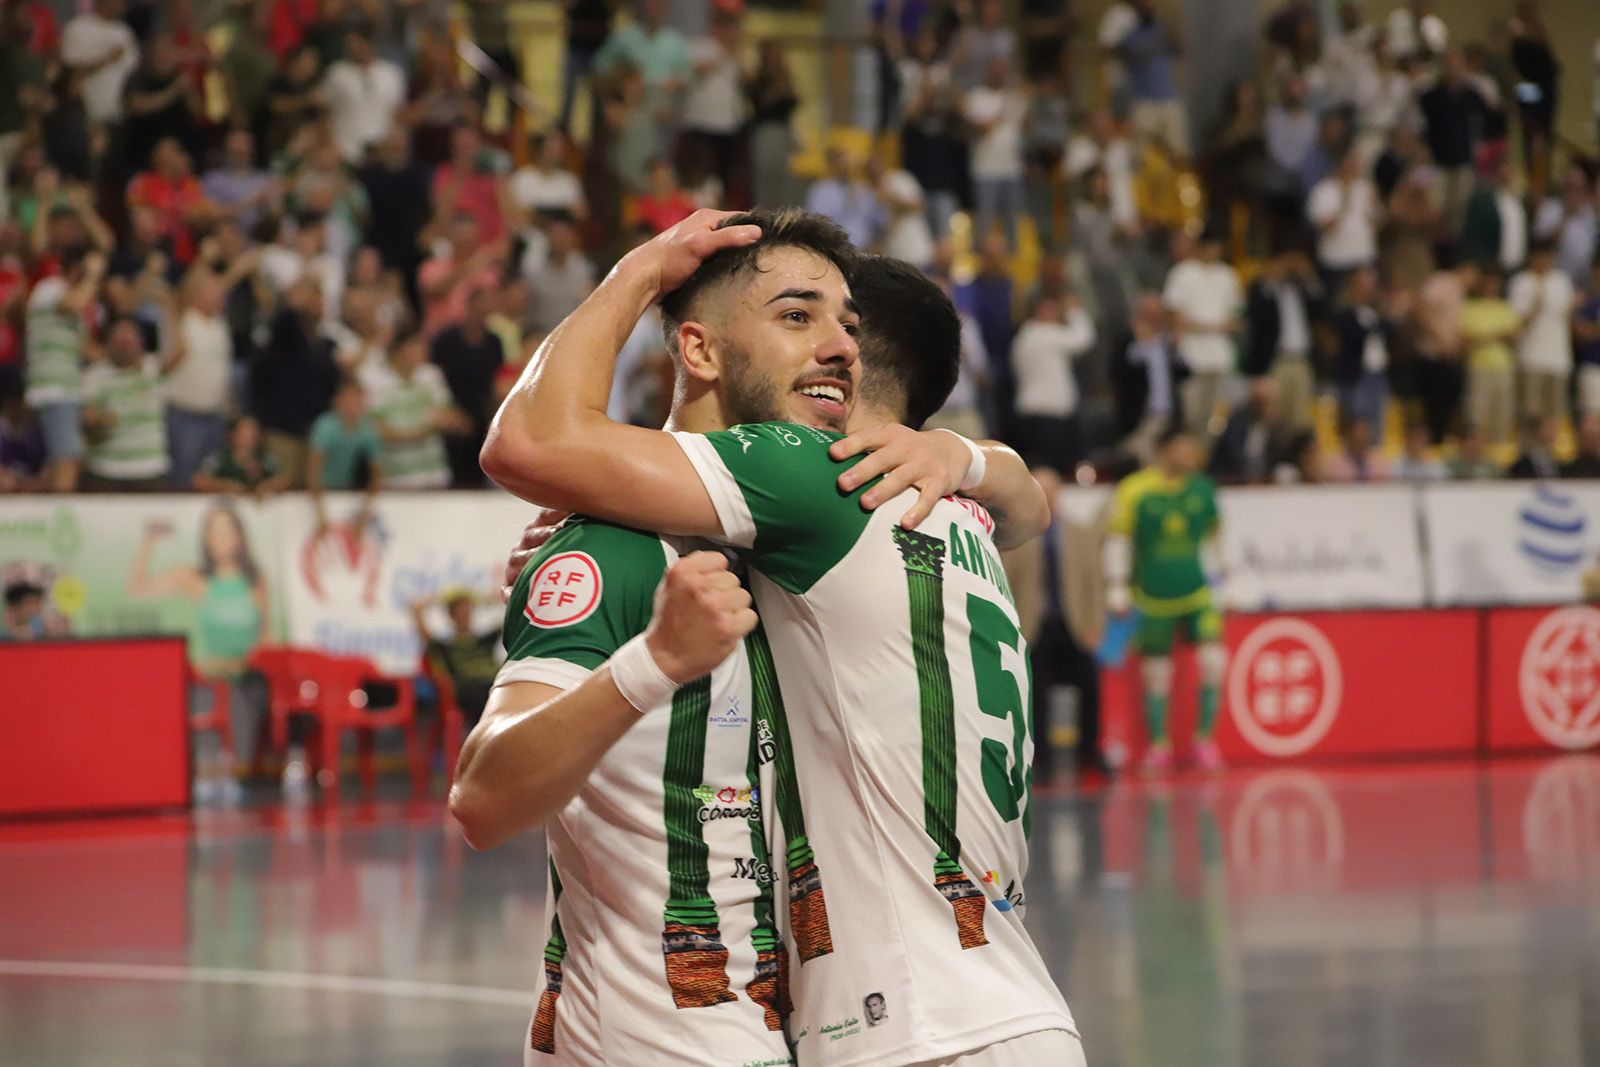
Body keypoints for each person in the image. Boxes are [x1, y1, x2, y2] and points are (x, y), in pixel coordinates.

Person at [472, 210, 1081, 1065]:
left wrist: (642, 269)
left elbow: (535, 441)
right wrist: (970, 455)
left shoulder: (814, 482)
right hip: (993, 1005)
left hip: (914, 1030)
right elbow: (1031, 502)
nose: (835, 344)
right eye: (800, 317)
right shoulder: (956, 512)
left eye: (848, 327)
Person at [128, 503, 270, 803]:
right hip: (210, 674)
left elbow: (265, 635)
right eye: (213, 530)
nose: (221, 537)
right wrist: (149, 540)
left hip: (246, 674)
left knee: (252, 687)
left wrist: (253, 661)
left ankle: (238, 767)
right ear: (205, 537)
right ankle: (208, 768)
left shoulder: (255, 581)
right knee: (208, 690)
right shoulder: (194, 578)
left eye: (227, 530)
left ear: (239, 536)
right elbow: (138, 588)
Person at [1105, 427, 1225, 774]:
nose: (1191, 454)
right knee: (1157, 673)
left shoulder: (1202, 489)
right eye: (1184, 446)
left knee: (1214, 660)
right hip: (1152, 596)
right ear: (1166, 449)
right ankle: (1159, 747)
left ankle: (1204, 741)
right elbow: (1119, 539)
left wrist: (1226, 580)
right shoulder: (1136, 490)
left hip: (1196, 592)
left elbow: (1215, 540)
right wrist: (1117, 584)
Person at [26, 248, 107, 492]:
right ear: (76, 271)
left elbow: (90, 351)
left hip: (67, 390)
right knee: (67, 459)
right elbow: (72, 303)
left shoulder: (74, 312)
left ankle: (35, 518)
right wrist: (93, 274)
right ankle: (61, 521)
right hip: (53, 389)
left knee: (55, 463)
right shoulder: (50, 288)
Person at [1162, 230, 1242, 437]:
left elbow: (1235, 319)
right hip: (1191, 358)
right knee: (1190, 416)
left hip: (1219, 357)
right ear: (1201, 246)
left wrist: (1202, 325)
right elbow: (1173, 317)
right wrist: (1212, 326)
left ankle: (1201, 463)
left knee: (1213, 421)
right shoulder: (1183, 273)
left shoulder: (1227, 275)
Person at [363, 332, 466, 490]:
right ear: (398, 351)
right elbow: (380, 432)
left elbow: (453, 418)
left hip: (435, 473)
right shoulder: (376, 381)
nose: (423, 351)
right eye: (415, 347)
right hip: (395, 477)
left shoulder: (431, 375)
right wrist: (427, 429)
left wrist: (446, 420)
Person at [80, 316, 172, 491]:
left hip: (149, 469)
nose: (125, 345)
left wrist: (168, 306)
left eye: (129, 339)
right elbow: (83, 416)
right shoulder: (96, 375)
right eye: (120, 340)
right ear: (108, 343)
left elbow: (180, 350)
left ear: (141, 343)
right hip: (106, 471)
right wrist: (98, 419)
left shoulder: (153, 368)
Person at [1010, 291, 1096, 474]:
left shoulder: (1024, 337)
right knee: (1054, 471)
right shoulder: (1043, 333)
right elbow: (1084, 339)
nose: (1058, 315)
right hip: (1048, 416)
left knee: (1042, 469)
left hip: (1035, 414)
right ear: (1040, 311)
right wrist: (1075, 311)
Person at [1243, 247, 1321, 432]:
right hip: (1276, 361)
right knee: (1273, 416)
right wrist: (1273, 278)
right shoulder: (1262, 289)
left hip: (1301, 360)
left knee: (1300, 417)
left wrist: (1308, 275)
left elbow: (1322, 309)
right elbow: (1256, 313)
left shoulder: (1301, 289)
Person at [410, 588, 500, 731]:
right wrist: (431, 601)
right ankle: (484, 737)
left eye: (468, 609)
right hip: (467, 690)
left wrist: (496, 598)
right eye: (460, 611)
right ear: (451, 615)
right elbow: (417, 613)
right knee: (482, 693)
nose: (465, 614)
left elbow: (513, 619)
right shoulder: (444, 646)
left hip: (494, 685)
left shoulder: (485, 640)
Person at [1509, 239, 1576, 424]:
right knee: (1531, 415)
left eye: (1550, 256)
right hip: (1531, 358)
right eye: (1542, 256)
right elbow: (1517, 323)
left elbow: (1567, 317)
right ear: (1532, 257)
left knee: (1554, 417)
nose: (1546, 261)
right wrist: (1537, 304)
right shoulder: (1521, 281)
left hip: (1559, 359)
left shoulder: (1562, 282)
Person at [306, 377, 383, 534]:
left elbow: (377, 475)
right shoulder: (325, 426)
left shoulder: (367, 429)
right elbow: (313, 470)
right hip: (321, 491)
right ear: (338, 401)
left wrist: (364, 513)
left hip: (345, 489)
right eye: (349, 399)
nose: (354, 405)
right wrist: (320, 513)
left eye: (357, 399)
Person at [1460, 264, 1521, 448]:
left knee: (1502, 413)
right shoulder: (1470, 307)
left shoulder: (1505, 308)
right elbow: (1466, 339)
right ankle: (1478, 451)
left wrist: (1484, 336)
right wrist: (1496, 335)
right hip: (1480, 368)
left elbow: (1513, 338)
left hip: (1504, 368)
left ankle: (1498, 452)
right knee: (1478, 415)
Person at [1333, 266, 1397, 432]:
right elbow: (1353, 334)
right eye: (1365, 284)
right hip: (1356, 375)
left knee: (1378, 425)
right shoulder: (1346, 313)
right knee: (1357, 424)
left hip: (1378, 374)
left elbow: (1391, 333)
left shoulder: (1377, 314)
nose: (1369, 288)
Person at [194, 415, 289, 496]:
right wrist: (225, 486)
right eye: (244, 433)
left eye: (253, 433)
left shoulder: (266, 459)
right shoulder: (219, 459)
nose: (250, 438)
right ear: (233, 435)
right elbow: (199, 481)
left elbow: (284, 478)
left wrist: (268, 486)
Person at [1325, 417, 1391, 482]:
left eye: (1364, 438)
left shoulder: (1379, 460)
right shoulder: (1334, 464)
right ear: (1348, 437)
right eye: (1356, 440)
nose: (1360, 440)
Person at [1575, 260, 1600, 416]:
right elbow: (1580, 333)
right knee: (1592, 419)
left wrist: (1592, 330)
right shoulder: (1587, 302)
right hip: (1592, 366)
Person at [1508, 415, 1561, 480]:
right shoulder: (1520, 466)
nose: (1553, 432)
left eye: (1553, 428)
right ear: (1536, 432)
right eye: (1548, 429)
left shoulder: (1559, 461)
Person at [1563, 413, 1600, 479]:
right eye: (1587, 437)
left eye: (1594, 436)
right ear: (1579, 438)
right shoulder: (1565, 469)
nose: (1591, 442)